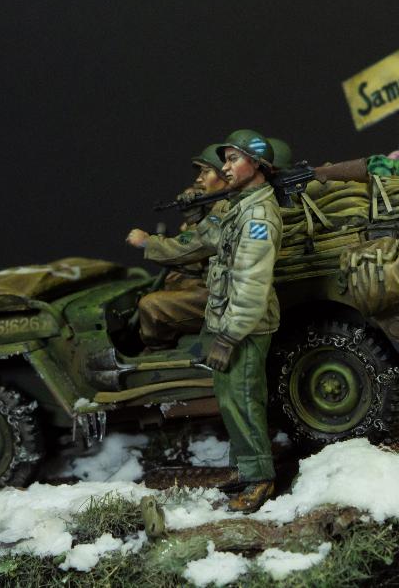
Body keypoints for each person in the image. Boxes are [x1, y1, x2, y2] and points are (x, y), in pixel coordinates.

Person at [128, 129, 282, 512]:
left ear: (256, 164)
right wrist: (152, 245)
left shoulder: (258, 217)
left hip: (244, 328)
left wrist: (228, 337)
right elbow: (199, 241)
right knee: (230, 400)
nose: (225, 167)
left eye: (233, 159)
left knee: (244, 400)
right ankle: (243, 469)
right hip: (227, 321)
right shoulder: (236, 207)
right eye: (225, 160)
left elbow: (251, 286)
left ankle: (259, 480)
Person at [127, 145, 230, 349]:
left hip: (225, 295)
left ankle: (159, 353)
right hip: (218, 282)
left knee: (150, 306)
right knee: (175, 279)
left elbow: (188, 247)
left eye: (206, 172)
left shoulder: (226, 210)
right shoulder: (219, 205)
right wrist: (198, 211)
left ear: (225, 175)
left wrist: (147, 242)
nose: (199, 179)